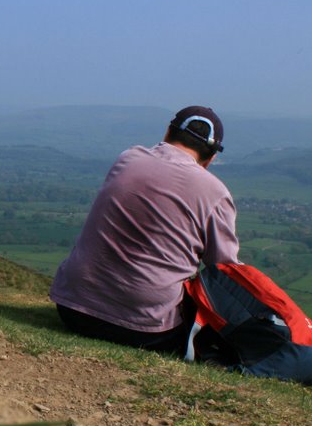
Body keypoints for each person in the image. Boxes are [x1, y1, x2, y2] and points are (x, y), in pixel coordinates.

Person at [50, 105, 239, 354]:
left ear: (168, 132)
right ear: (211, 157)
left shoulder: (128, 158)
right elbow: (224, 271)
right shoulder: (215, 192)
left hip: (73, 309)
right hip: (146, 329)